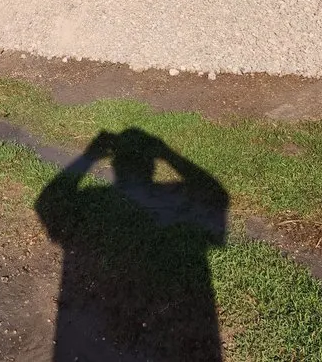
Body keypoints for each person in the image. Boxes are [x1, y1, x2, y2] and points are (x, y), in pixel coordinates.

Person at [36, 128, 228, 361]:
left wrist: (89, 156)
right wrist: (167, 153)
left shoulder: (95, 197)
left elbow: (48, 202)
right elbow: (215, 195)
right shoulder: (168, 195)